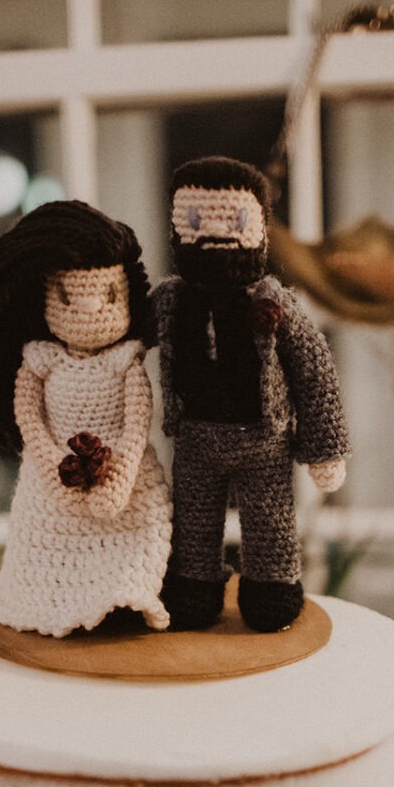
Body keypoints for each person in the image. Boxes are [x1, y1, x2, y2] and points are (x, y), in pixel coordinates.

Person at [0, 200, 171, 638]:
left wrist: (123, 471)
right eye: (68, 297)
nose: (92, 309)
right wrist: (53, 463)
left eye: (109, 295)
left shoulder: (126, 363)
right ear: (44, 300)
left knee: (136, 536)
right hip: (51, 475)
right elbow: (30, 421)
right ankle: (48, 595)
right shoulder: (41, 361)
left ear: (128, 293)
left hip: (122, 479)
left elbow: (136, 426)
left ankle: (124, 595)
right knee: (45, 542)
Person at [154, 156, 350, 632]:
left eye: (234, 221)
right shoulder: (169, 299)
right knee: (193, 527)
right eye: (197, 222)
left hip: (265, 444)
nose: (216, 236)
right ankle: (192, 587)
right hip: (196, 444)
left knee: (271, 526)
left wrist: (324, 448)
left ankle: (271, 588)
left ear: (258, 226)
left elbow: (314, 371)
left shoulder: (275, 301)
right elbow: (125, 335)